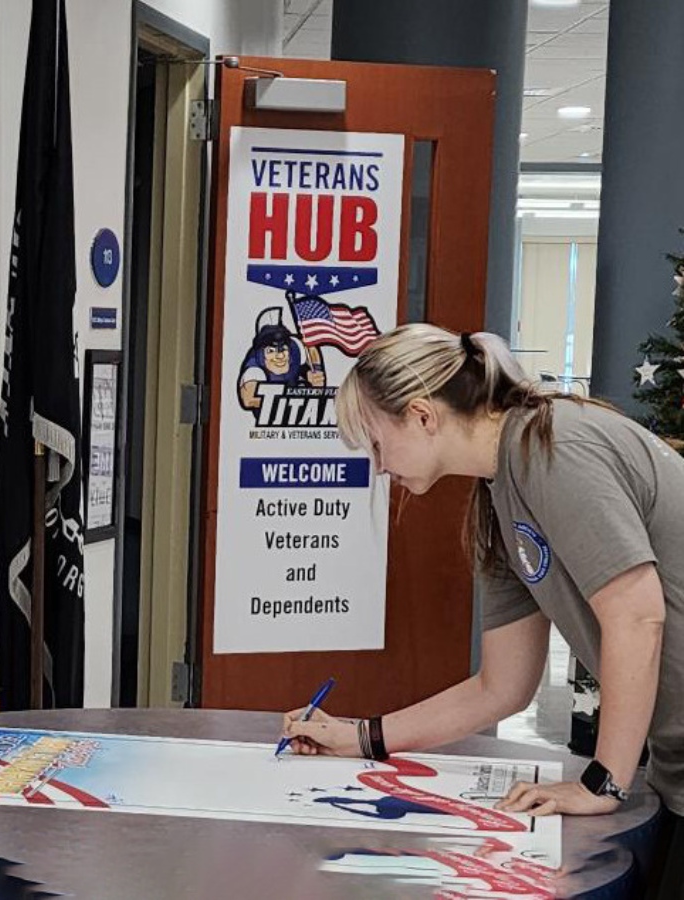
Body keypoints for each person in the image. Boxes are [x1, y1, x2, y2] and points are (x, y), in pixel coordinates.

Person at [279, 324, 684, 898]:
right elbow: (502, 686)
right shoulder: (498, 499)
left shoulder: (555, 447)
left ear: (422, 415)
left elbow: (637, 615)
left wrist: (603, 780)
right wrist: (363, 738)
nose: (377, 467)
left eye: (375, 442)